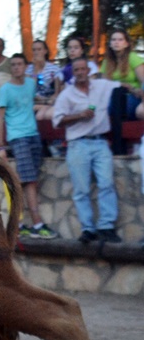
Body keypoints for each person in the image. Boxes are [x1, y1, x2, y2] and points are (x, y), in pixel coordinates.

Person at [52, 57, 121, 243]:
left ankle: (106, 226)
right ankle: (88, 228)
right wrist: (79, 116)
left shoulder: (101, 86)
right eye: (77, 70)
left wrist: (136, 89)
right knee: (81, 189)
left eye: (83, 69)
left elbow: (121, 85)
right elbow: (57, 121)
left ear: (89, 71)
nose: (81, 72)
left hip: (100, 141)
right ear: (73, 73)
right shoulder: (66, 95)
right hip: (78, 143)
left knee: (106, 184)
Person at [0, 53, 57, 239]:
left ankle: (20, 223)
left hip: (33, 134)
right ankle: (36, 223)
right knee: (28, 180)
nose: (16, 67)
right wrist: (1, 146)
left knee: (29, 179)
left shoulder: (30, 84)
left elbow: (35, 98)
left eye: (19, 64)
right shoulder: (5, 90)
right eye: (13, 64)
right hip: (18, 136)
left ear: (24, 66)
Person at [102, 27, 144, 118]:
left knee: (121, 104)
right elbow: (104, 84)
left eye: (120, 40)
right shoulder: (106, 61)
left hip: (133, 95)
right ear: (110, 44)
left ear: (126, 44)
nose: (116, 42)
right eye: (113, 40)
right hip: (113, 95)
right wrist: (121, 84)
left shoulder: (132, 57)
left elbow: (143, 81)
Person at [25, 39, 63, 120]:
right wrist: (36, 69)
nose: (36, 52)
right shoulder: (29, 70)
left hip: (49, 102)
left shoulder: (54, 69)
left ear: (45, 51)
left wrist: (48, 100)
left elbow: (57, 92)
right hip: (34, 103)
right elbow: (29, 90)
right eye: (34, 50)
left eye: (39, 49)